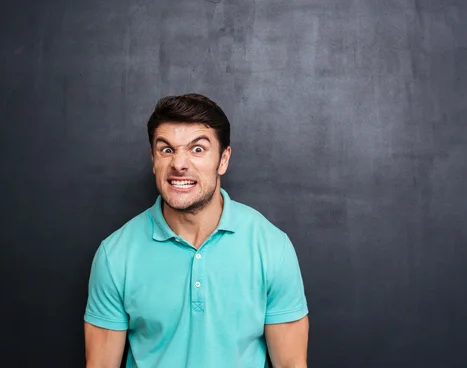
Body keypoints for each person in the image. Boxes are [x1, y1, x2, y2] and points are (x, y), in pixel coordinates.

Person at [84, 93, 309, 368]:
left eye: (197, 149)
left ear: (223, 160)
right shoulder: (114, 255)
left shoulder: (273, 247)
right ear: (154, 159)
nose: (179, 164)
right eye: (166, 149)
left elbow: (291, 365)